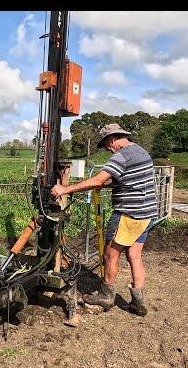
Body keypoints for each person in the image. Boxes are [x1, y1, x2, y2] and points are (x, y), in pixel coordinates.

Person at [51, 123, 158, 316]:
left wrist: (64, 189)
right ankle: (138, 302)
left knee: (110, 255)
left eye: (107, 145)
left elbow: (98, 180)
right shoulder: (141, 152)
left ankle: (106, 296)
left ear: (112, 140)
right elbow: (130, 181)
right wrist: (109, 185)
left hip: (129, 215)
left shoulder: (121, 156)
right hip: (147, 213)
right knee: (134, 256)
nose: (108, 149)